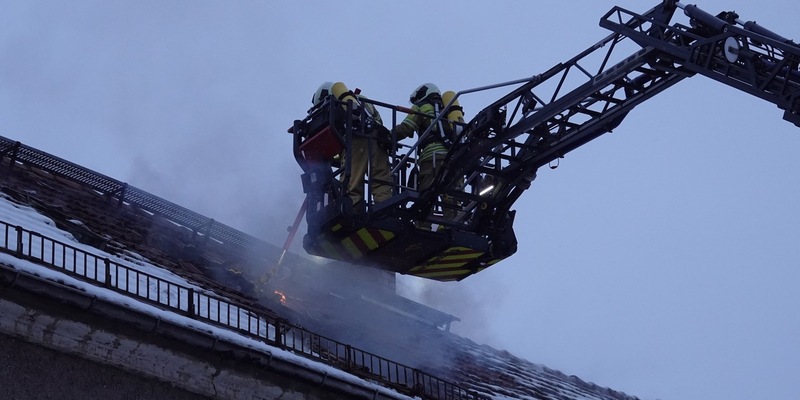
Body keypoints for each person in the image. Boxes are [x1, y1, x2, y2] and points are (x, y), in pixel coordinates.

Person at [311, 82, 393, 210]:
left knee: (351, 181)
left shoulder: (344, 103)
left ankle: (353, 208)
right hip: (379, 140)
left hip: (357, 138)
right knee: (380, 180)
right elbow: (377, 120)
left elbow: (352, 118)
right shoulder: (362, 100)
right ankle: (385, 209)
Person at [391, 83, 462, 230]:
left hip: (431, 158)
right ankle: (452, 226)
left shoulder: (422, 107)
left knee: (426, 193)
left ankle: (423, 226)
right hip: (454, 158)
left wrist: (386, 136)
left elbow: (406, 128)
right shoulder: (448, 110)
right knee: (450, 193)